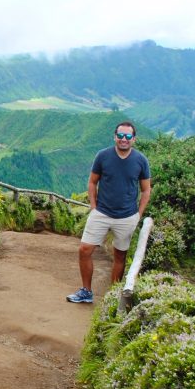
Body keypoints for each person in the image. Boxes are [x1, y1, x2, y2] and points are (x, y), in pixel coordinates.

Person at [66, 122, 151, 303]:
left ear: (134, 139)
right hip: (102, 213)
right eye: (120, 135)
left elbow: (146, 190)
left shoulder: (141, 160)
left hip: (127, 216)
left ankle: (112, 297)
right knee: (84, 250)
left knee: (120, 255)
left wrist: (138, 214)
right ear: (115, 136)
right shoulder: (103, 156)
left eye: (128, 136)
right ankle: (86, 292)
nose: (124, 139)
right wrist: (94, 206)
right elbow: (92, 182)